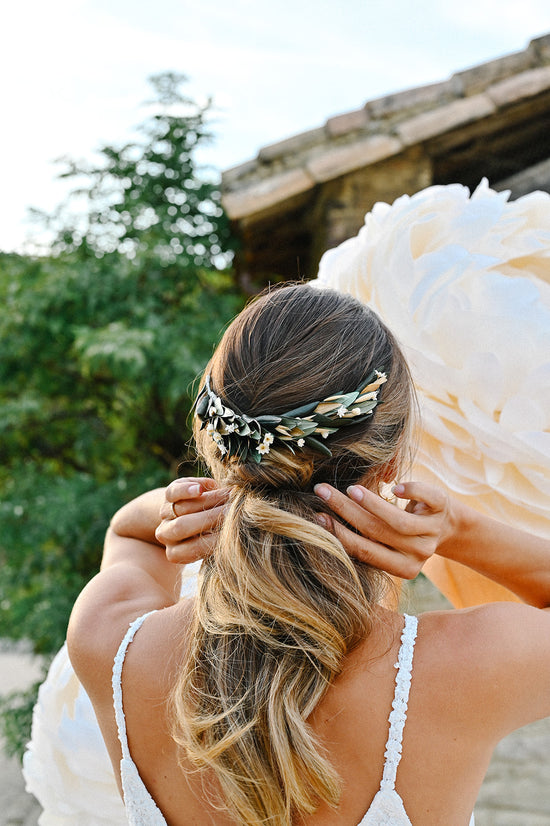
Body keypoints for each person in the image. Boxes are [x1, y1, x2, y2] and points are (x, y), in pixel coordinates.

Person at [61, 284, 550, 826]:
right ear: (387, 467)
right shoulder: (465, 670)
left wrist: (187, 505)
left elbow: (127, 533)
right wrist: (458, 529)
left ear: (218, 442)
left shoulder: (111, 644)